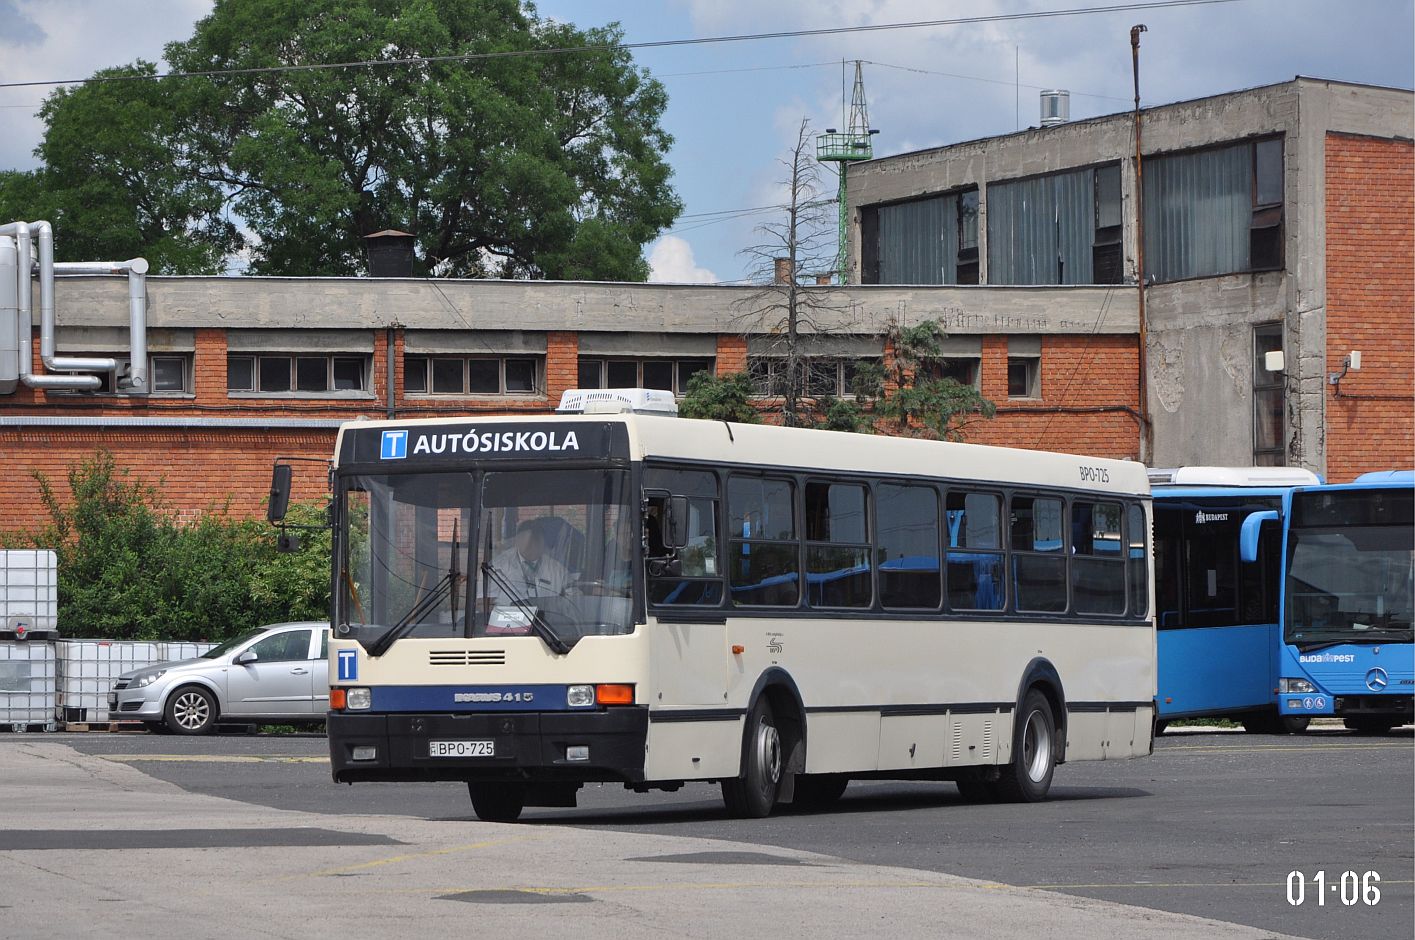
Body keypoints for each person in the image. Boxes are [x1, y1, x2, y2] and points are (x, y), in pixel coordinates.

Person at [488, 520, 570, 601]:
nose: (531, 544)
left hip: (548, 613)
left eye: (537, 539)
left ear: (543, 542)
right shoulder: (497, 566)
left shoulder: (558, 570)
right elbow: (483, 603)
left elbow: (574, 598)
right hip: (509, 614)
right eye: (528, 540)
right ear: (517, 540)